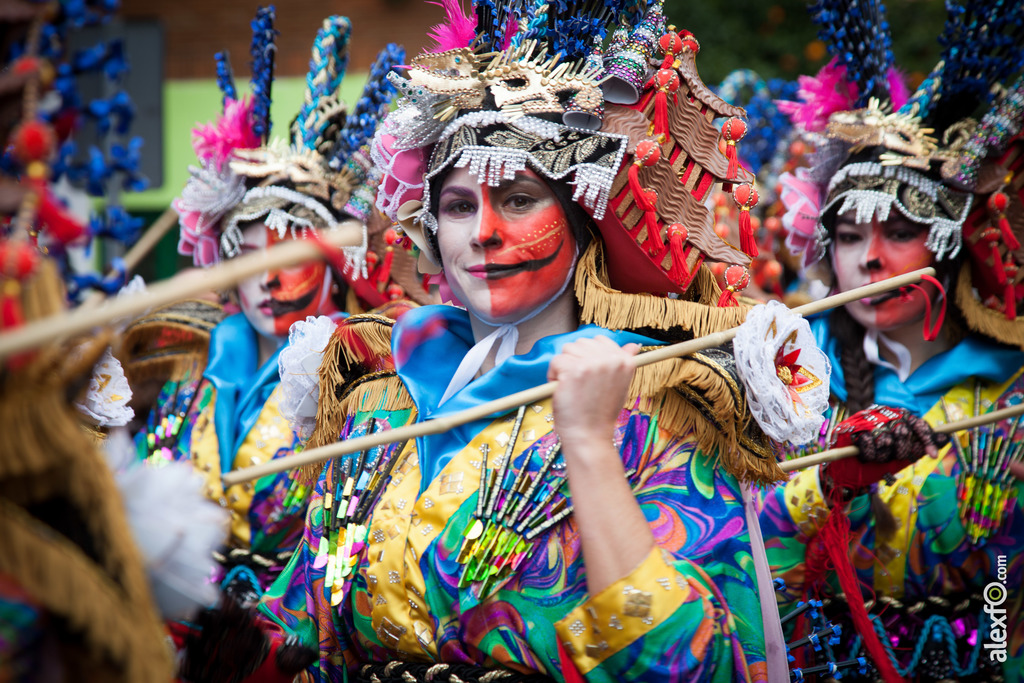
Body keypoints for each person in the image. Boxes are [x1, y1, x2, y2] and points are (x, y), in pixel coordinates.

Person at [196, 2, 832, 682]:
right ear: (431, 227)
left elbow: (690, 664)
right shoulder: (377, 393)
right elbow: (309, 622)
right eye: (460, 206)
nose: (483, 233)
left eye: (520, 199)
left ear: (581, 218)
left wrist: (589, 444)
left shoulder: (661, 401)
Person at [759, 3, 1024, 680]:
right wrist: (827, 481)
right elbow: (747, 557)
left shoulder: (1010, 386)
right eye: (848, 236)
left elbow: (1005, 596)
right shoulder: (780, 374)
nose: (869, 260)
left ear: (947, 247)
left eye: (898, 232)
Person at [156, 9, 428, 606]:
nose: (266, 278)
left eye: (288, 253)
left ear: (333, 263)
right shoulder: (189, 357)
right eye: (245, 256)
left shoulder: (370, 371)